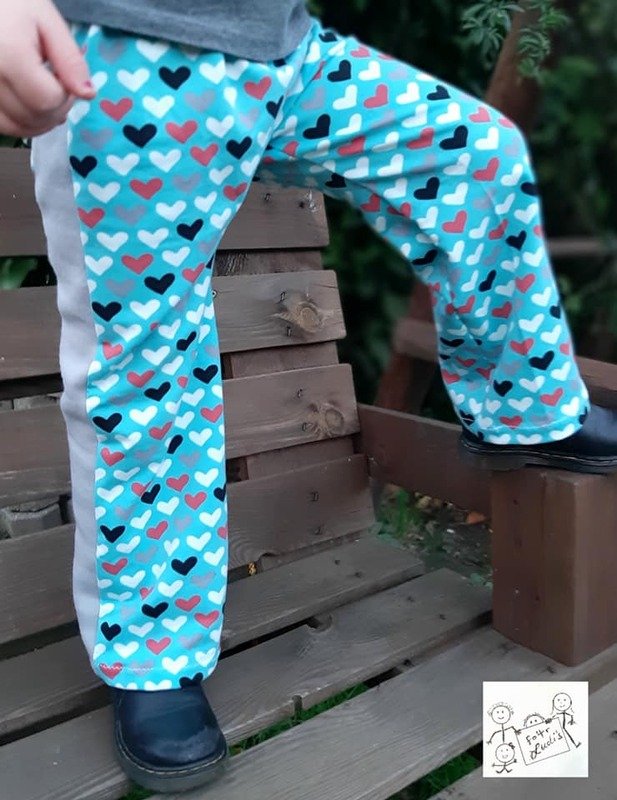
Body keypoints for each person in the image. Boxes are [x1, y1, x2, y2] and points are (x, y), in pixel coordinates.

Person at [1, 0, 616, 792]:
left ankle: (523, 409)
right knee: (145, 371)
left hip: (282, 51)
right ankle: (153, 654)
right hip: (122, 52)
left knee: (477, 156)